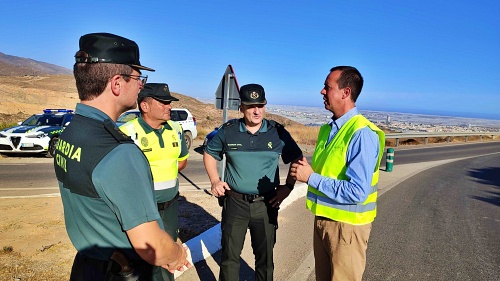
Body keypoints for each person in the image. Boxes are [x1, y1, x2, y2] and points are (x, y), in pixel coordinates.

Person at [53, 32, 190, 280]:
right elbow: (152, 246)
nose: (141, 85)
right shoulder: (118, 152)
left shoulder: (70, 134)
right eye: (138, 77)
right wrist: (177, 254)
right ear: (117, 83)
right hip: (120, 272)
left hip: (86, 266)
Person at [290, 66, 385, 281]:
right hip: (324, 221)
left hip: (346, 229)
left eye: (327, 87)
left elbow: (357, 192)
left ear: (345, 92)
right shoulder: (329, 130)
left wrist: (310, 177)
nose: (322, 92)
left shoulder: (361, 134)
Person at [203, 83, 303, 281]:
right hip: (235, 204)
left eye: (260, 105)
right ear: (241, 107)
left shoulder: (277, 132)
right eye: (250, 106)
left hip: (266, 205)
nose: (256, 111)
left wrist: (288, 187)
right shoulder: (228, 131)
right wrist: (215, 180)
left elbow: (298, 160)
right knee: (230, 258)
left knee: (265, 261)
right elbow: (209, 153)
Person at [119, 83, 189, 281]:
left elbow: (181, 161)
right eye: (164, 103)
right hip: (140, 211)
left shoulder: (175, 129)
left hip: (170, 207)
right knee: (143, 259)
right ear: (145, 106)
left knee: (168, 255)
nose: (169, 107)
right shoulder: (126, 132)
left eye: (169, 103)